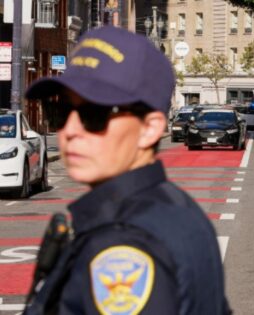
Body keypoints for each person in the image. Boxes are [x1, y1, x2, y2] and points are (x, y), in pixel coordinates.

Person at [23, 26, 231, 315]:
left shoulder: (123, 244)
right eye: (60, 111)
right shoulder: (172, 209)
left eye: (94, 114)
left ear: (150, 129)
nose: (70, 130)